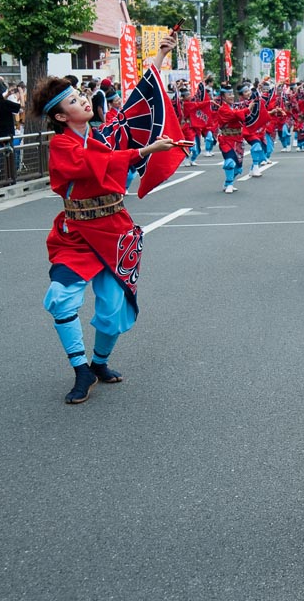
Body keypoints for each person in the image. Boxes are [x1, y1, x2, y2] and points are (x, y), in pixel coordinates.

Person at [34, 33, 180, 404]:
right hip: (77, 233)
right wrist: (146, 149)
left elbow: (138, 101)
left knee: (114, 310)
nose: (83, 99)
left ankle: (99, 362)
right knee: (61, 298)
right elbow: (88, 166)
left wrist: (161, 54)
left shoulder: (104, 134)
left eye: (81, 95)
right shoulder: (62, 145)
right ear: (60, 116)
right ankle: (80, 368)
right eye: (73, 100)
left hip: (114, 230)